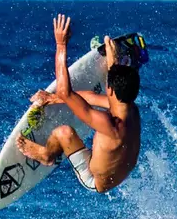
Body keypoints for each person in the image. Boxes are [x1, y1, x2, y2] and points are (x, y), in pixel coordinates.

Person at [15, 14, 141, 193]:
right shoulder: (131, 109)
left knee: (63, 133)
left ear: (111, 90)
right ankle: (53, 101)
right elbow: (90, 97)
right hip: (117, 170)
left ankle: (47, 155)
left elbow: (66, 92)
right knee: (87, 97)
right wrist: (53, 99)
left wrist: (60, 44)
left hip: (95, 179)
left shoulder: (109, 124)